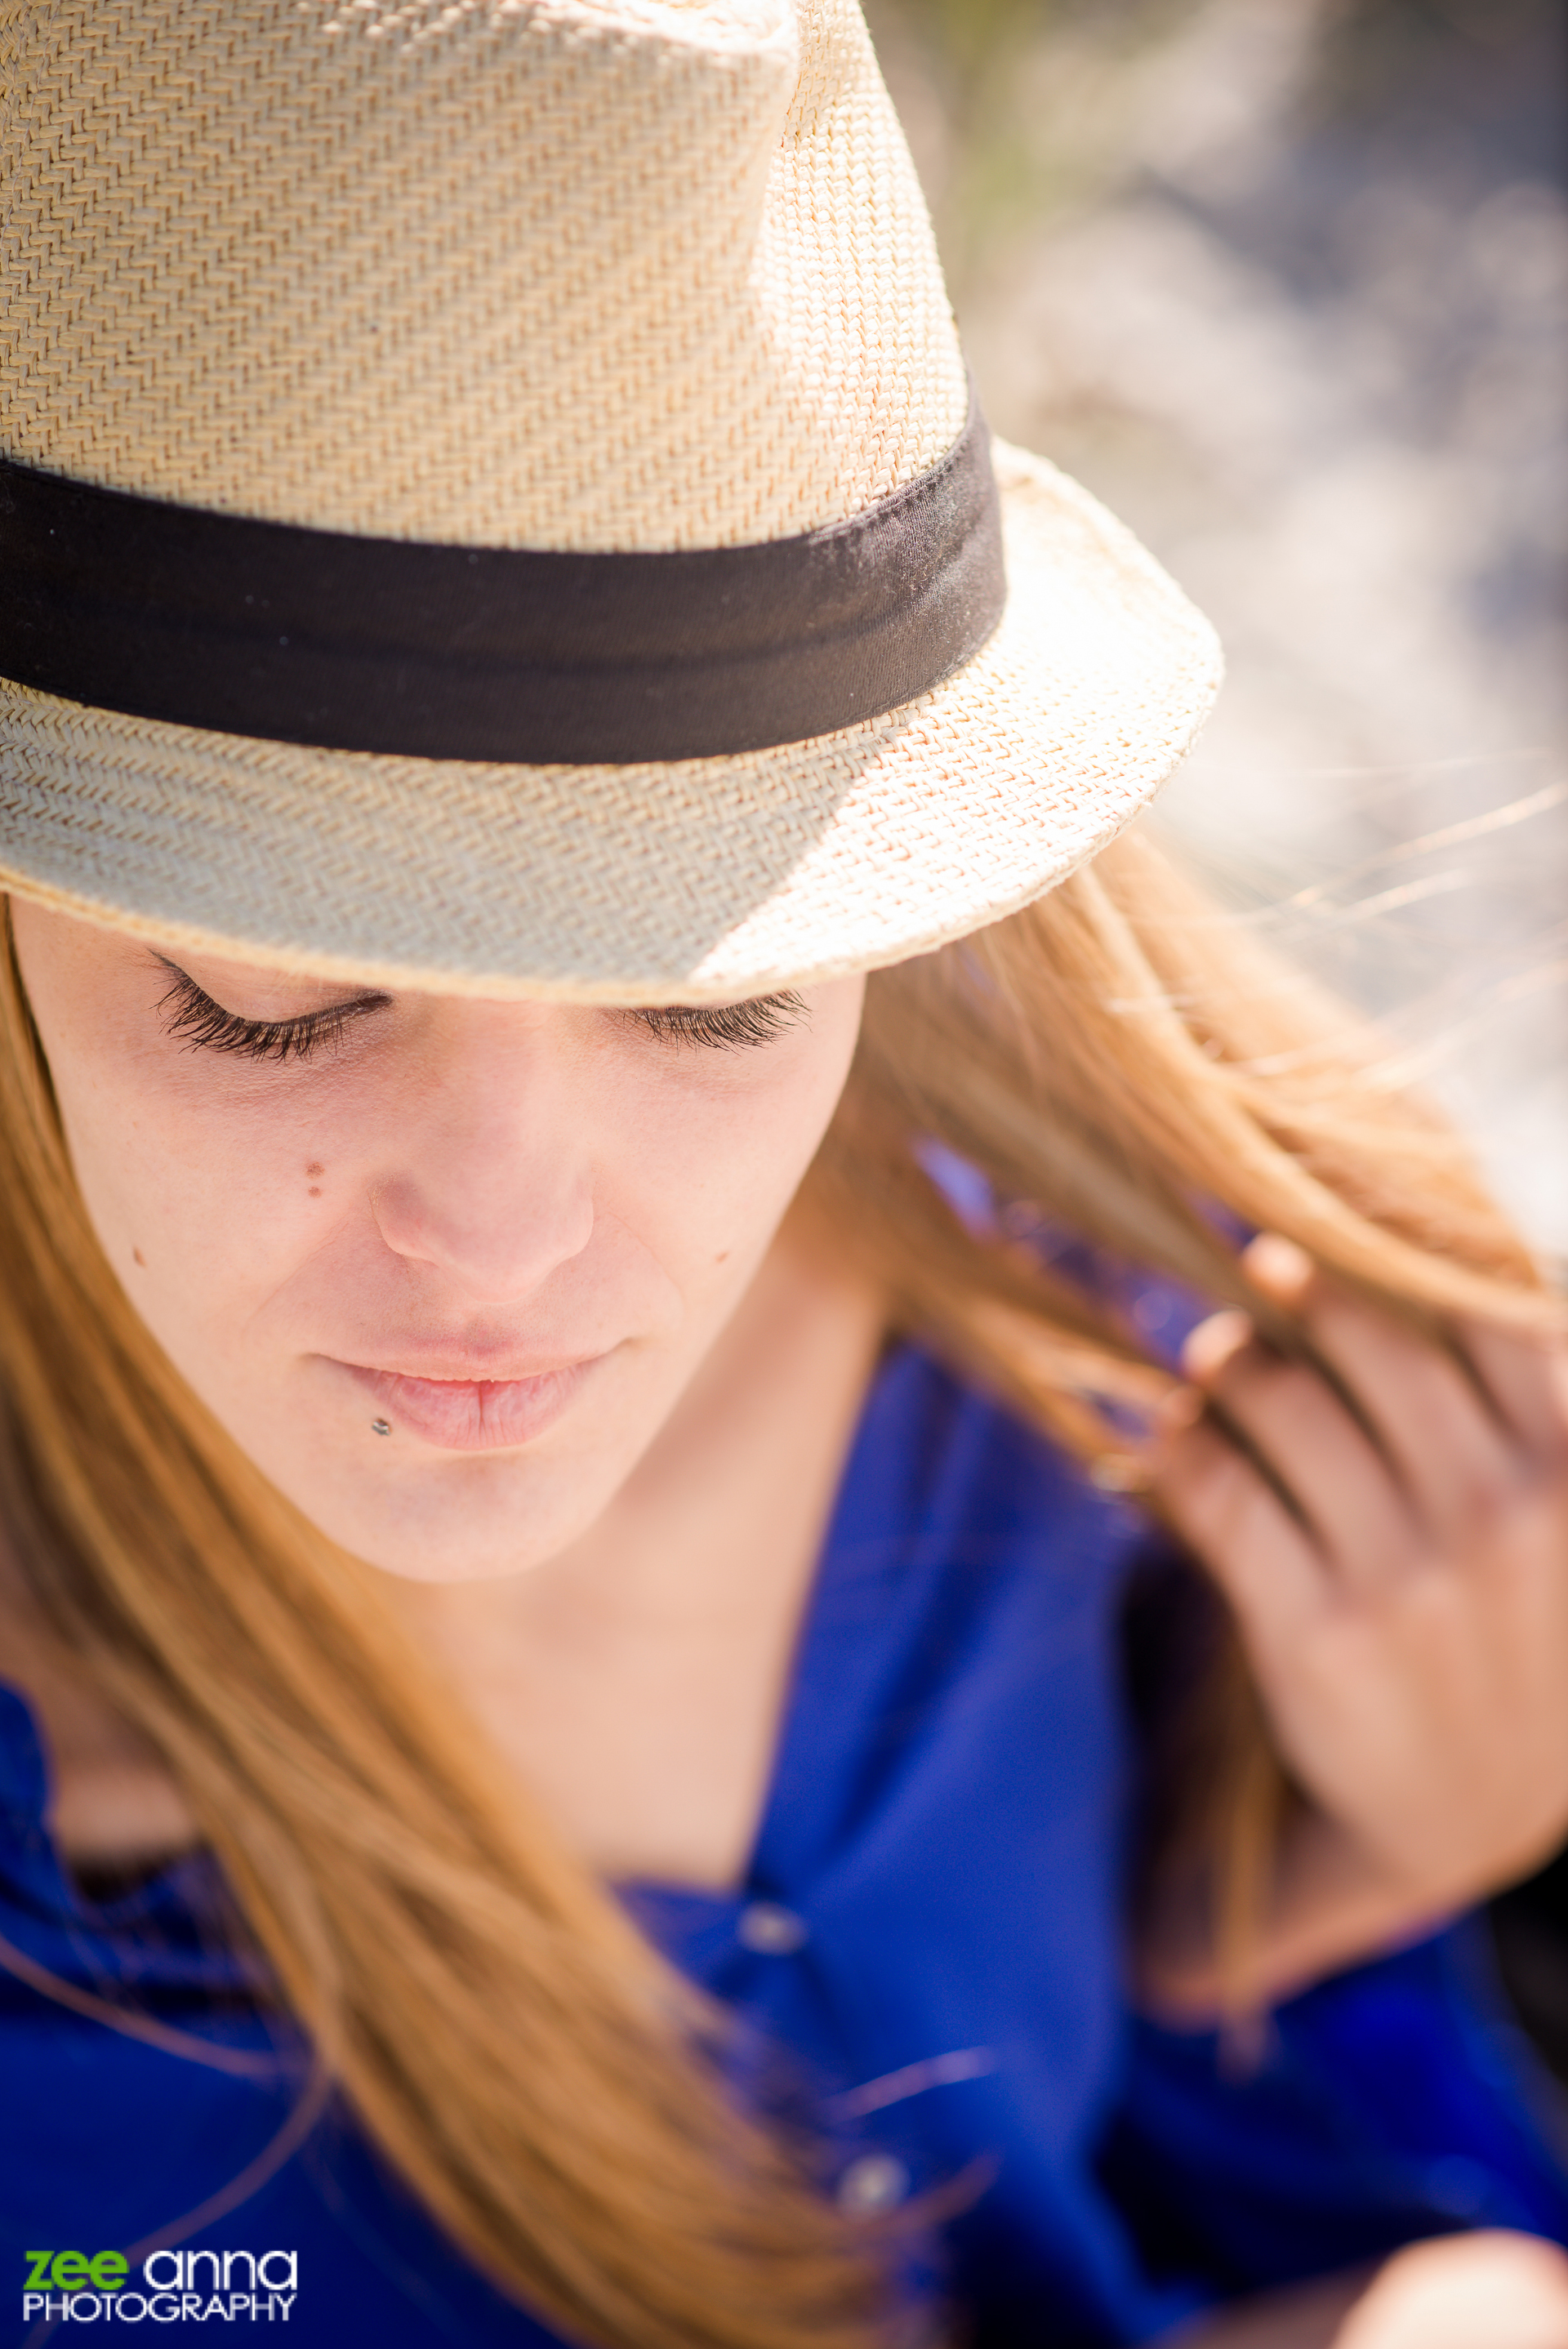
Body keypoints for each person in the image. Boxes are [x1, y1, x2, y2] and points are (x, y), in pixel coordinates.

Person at [2, 3, 1567, 2345]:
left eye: (724, 993)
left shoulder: (1105, 1289)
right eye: (274, 999)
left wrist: (1360, 1872)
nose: (514, 1239)